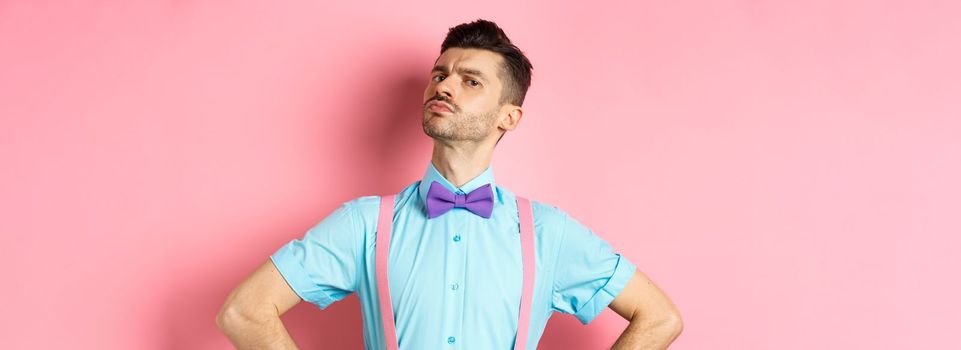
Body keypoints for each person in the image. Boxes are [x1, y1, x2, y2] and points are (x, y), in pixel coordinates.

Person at [216, 19, 683, 349]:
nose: (444, 86)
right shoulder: (365, 224)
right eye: (439, 74)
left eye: (470, 80)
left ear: (509, 116)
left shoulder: (547, 233)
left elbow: (660, 318)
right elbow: (244, 312)